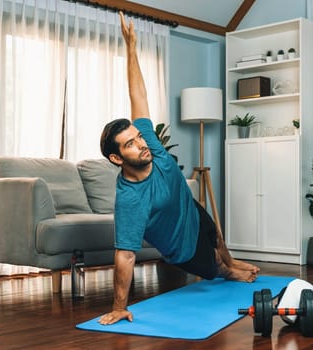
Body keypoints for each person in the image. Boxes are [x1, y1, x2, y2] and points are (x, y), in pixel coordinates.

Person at [98, 12, 260, 326]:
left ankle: (230, 259)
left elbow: (139, 96)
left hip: (190, 210)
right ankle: (227, 269)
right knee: (214, 268)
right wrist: (119, 306)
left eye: (138, 137)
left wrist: (131, 47)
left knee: (217, 236)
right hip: (181, 246)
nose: (141, 144)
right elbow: (125, 256)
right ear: (117, 159)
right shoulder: (130, 200)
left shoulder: (152, 146)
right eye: (130, 144)